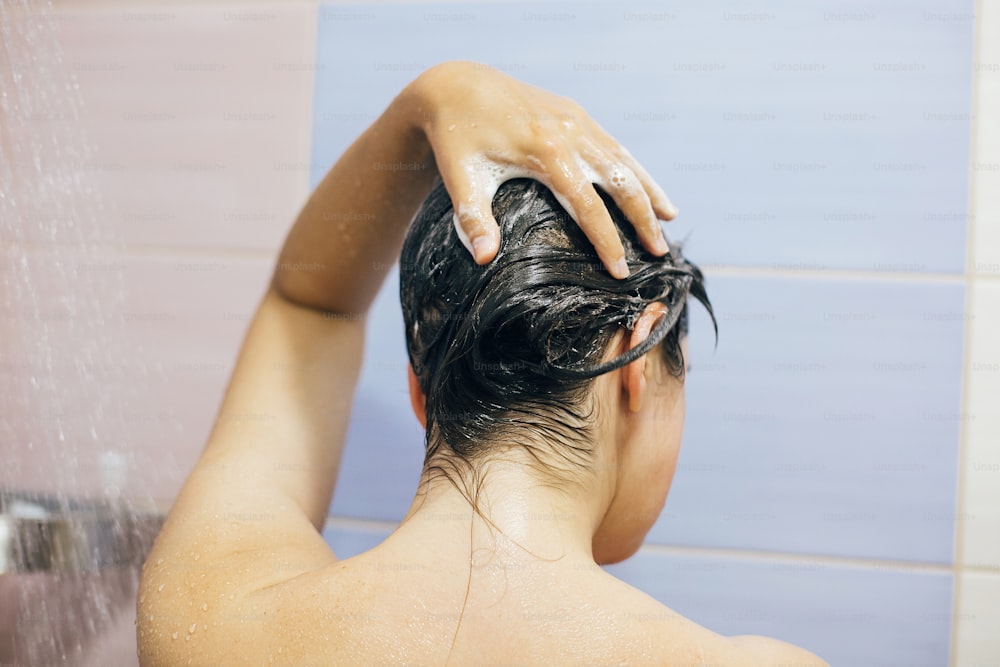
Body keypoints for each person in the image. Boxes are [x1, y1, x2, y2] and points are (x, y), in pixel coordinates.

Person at [137, 61, 828, 666]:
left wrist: (427, 103)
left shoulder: (214, 620)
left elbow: (309, 304)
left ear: (419, 391)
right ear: (635, 359)